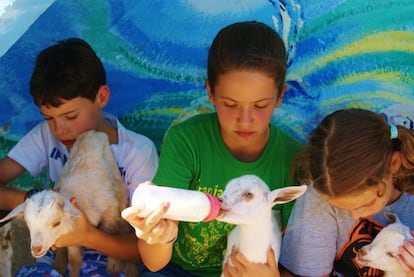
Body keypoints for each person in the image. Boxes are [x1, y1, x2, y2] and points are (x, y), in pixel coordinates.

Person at [122, 20, 301, 277]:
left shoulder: (292, 158)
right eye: (230, 104)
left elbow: (292, 264)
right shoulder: (186, 141)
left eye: (260, 105)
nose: (245, 119)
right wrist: (156, 237)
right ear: (211, 93)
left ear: (280, 96)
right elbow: (154, 263)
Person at [0, 38, 159, 276]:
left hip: (114, 260)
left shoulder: (137, 152)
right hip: (59, 253)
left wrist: (87, 236)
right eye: (48, 118)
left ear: (101, 97)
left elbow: (145, 249)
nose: (59, 129)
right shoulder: (46, 135)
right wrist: (38, 203)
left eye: (71, 116)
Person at [279, 108, 414, 277]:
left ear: (393, 163)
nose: (356, 215)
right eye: (343, 207)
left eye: (366, 203)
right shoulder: (320, 196)